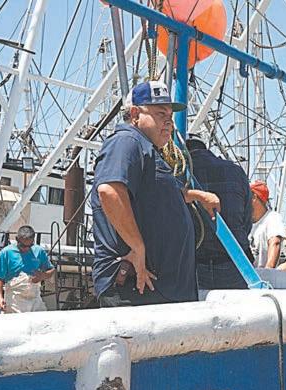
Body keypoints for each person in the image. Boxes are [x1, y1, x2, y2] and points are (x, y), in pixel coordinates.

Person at [92, 81, 220, 307]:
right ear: (135, 114)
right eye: (161, 114)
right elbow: (110, 191)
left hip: (159, 289)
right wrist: (137, 247)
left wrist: (197, 196)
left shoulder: (148, 150)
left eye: (170, 116)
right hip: (139, 287)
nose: (169, 122)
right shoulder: (127, 141)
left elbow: (157, 199)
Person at [186, 135, 252, 289]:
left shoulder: (181, 174)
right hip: (235, 262)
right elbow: (247, 220)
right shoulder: (235, 171)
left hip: (195, 264)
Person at [0, 225, 54, 313]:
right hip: (14, 299)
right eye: (23, 246)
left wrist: (42, 276)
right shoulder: (6, 252)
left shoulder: (39, 251)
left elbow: (51, 270)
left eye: (30, 246)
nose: (26, 249)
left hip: (34, 298)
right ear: (17, 239)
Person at [249, 180, 286, 268]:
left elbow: (275, 243)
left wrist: (268, 270)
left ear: (254, 197)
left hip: (261, 274)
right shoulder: (246, 222)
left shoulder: (273, 218)